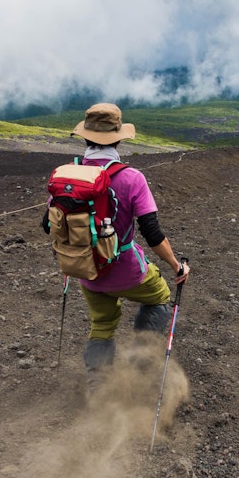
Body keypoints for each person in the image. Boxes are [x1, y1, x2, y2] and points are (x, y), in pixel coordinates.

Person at [44, 102, 190, 392]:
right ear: (119, 138)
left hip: (87, 271)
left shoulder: (67, 177)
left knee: (102, 324)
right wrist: (177, 267)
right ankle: (141, 359)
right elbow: (152, 232)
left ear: (85, 137)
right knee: (159, 296)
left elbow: (48, 225)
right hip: (128, 271)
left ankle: (98, 388)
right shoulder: (132, 178)